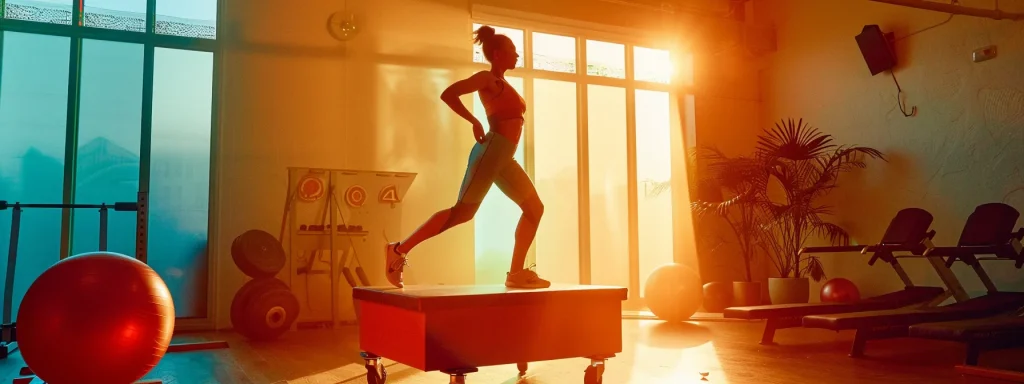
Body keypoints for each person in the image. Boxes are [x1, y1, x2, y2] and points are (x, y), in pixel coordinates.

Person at [383, 25, 550, 290]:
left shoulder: (504, 84)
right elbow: (449, 94)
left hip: (504, 157)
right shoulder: (487, 79)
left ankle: (515, 273)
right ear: (496, 54)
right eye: (512, 51)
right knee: (463, 213)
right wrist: (474, 120)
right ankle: (398, 250)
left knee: (534, 209)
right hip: (491, 152)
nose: (517, 55)